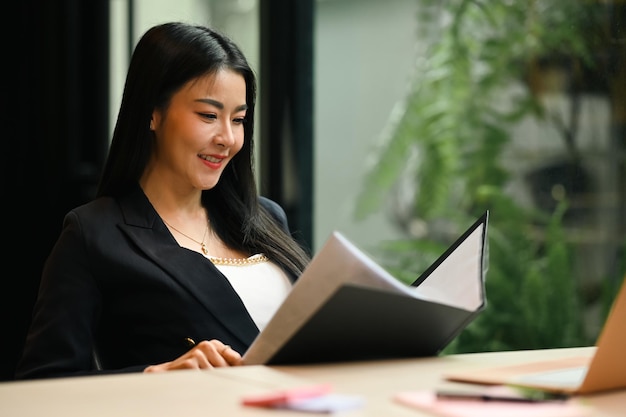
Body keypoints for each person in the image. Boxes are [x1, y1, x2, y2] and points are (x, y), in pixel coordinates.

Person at [15, 22, 311, 379]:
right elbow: (41, 382)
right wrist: (156, 375)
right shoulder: (93, 234)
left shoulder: (265, 217)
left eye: (239, 119)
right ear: (153, 112)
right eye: (208, 116)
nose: (228, 138)